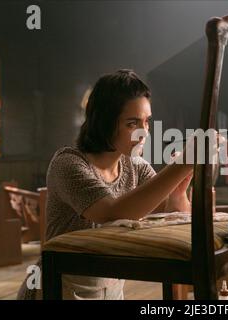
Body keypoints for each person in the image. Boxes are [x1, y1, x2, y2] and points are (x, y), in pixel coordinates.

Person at [17, 69, 198, 300]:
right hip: (59, 286)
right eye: (132, 123)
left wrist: (178, 191)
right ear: (104, 121)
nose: (143, 133)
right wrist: (181, 166)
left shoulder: (136, 166)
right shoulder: (69, 163)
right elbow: (111, 212)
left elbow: (173, 216)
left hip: (110, 288)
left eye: (147, 121)